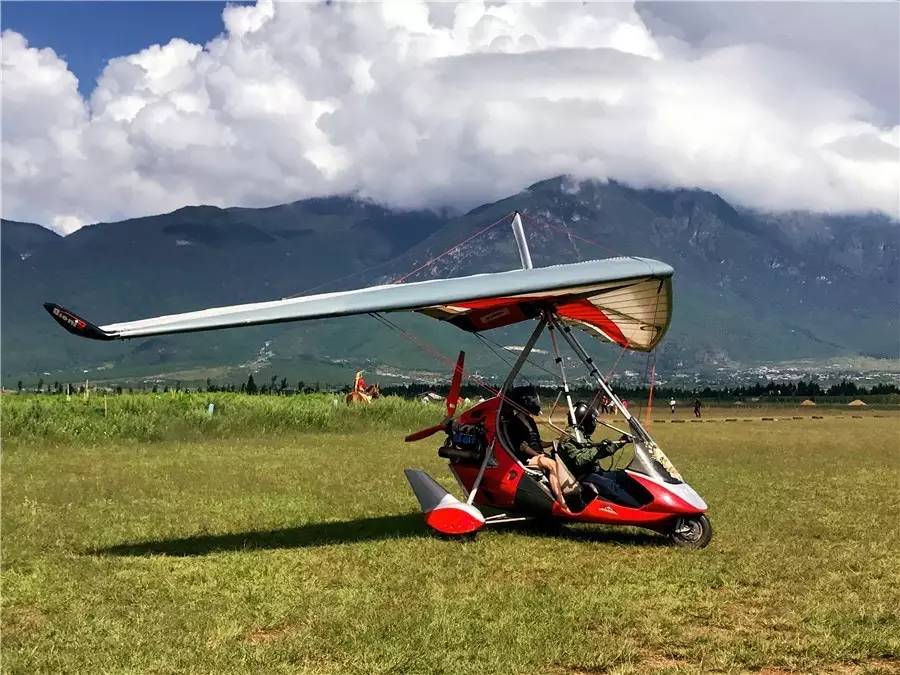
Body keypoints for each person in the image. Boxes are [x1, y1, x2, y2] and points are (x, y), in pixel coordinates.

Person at [501, 386, 569, 512]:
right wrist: (539, 455)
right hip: (526, 458)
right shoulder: (513, 423)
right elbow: (523, 447)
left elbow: (539, 442)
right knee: (552, 464)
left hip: (537, 455)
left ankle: (567, 495)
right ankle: (562, 504)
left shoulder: (530, 420)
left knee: (559, 462)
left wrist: (554, 442)